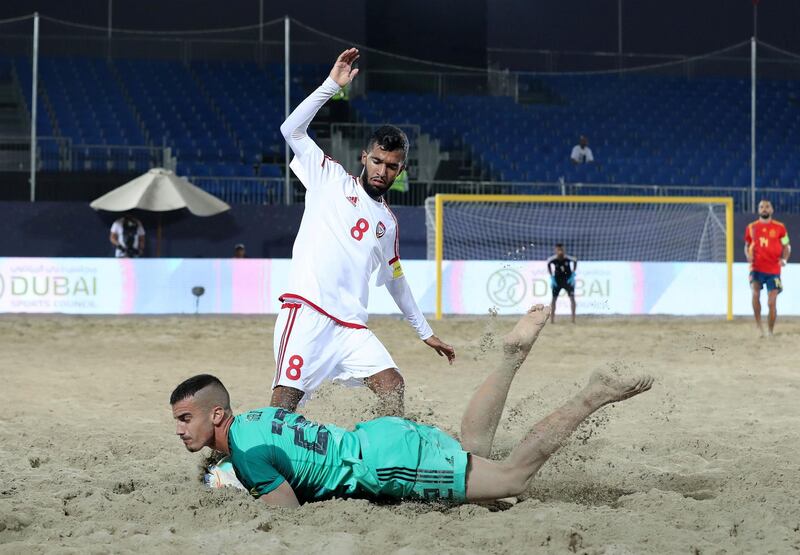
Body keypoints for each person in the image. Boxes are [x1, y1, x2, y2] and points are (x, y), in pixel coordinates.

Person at [170, 305, 653, 507]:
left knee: (510, 480)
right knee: (472, 449)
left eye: (185, 418)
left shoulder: (248, 456)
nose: (180, 430)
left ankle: (594, 394)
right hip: (381, 436)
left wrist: (238, 485)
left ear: (217, 415)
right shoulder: (260, 416)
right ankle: (510, 357)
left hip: (388, 465)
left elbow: (286, 515)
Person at [275, 48, 454, 416]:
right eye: (377, 161)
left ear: (401, 170)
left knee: (393, 387)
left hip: (351, 329)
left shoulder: (388, 224)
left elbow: (396, 280)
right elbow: (290, 129)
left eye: (391, 166)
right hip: (307, 312)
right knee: (282, 409)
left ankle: (386, 462)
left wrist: (424, 332)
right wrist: (331, 86)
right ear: (363, 157)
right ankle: (242, 467)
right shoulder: (328, 177)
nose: (382, 171)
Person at [744, 199, 791, 337]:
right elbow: (747, 245)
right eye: (761, 207)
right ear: (758, 210)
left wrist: (784, 260)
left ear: (772, 210)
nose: (764, 208)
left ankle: (770, 331)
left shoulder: (780, 227)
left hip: (773, 270)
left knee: (771, 302)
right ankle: (759, 326)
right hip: (756, 268)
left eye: (767, 206)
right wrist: (748, 255)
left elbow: (786, 246)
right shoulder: (751, 227)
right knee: (755, 293)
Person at [547, 244, 578, 324]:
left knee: (572, 299)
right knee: (553, 300)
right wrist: (551, 277)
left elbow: (575, 260)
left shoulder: (567, 258)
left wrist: (573, 274)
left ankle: (573, 320)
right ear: (556, 251)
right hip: (557, 282)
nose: (560, 252)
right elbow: (548, 263)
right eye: (558, 250)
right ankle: (552, 320)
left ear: (564, 250)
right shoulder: (553, 259)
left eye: (562, 250)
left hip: (568, 281)